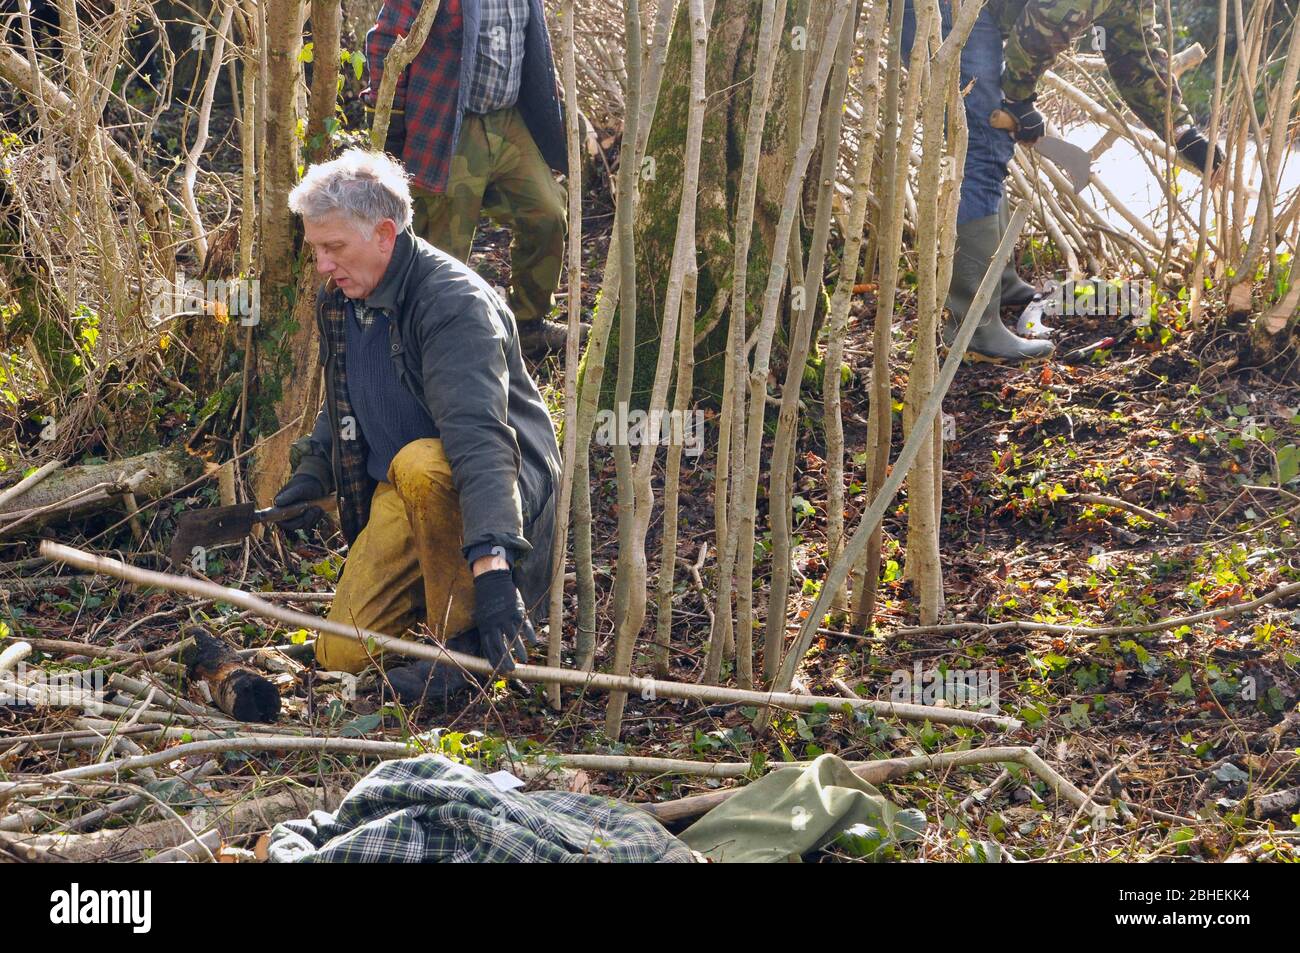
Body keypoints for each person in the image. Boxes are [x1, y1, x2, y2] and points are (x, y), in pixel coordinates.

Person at [275, 148, 561, 706]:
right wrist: (314, 467)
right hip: (401, 489)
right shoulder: (341, 296)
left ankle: (465, 652)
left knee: (422, 462)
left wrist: (495, 565)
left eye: (333, 248)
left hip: (487, 486)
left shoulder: (452, 305)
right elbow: (345, 392)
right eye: (316, 250)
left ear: (385, 233)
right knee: (343, 654)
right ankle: (430, 629)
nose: (322, 266)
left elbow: (482, 441)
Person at [902, 0, 1223, 364]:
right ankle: (972, 328)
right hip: (945, 9)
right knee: (980, 143)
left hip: (980, 11)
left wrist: (1181, 131)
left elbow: (1137, 54)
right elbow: (1046, 23)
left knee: (987, 143)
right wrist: (1019, 99)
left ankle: (998, 284)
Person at [362, 0, 583, 358]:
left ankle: (527, 324)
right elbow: (386, 39)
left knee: (547, 214)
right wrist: (390, 117)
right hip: (450, 122)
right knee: (444, 247)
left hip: (509, 119)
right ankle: (431, 343)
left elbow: (531, 45)